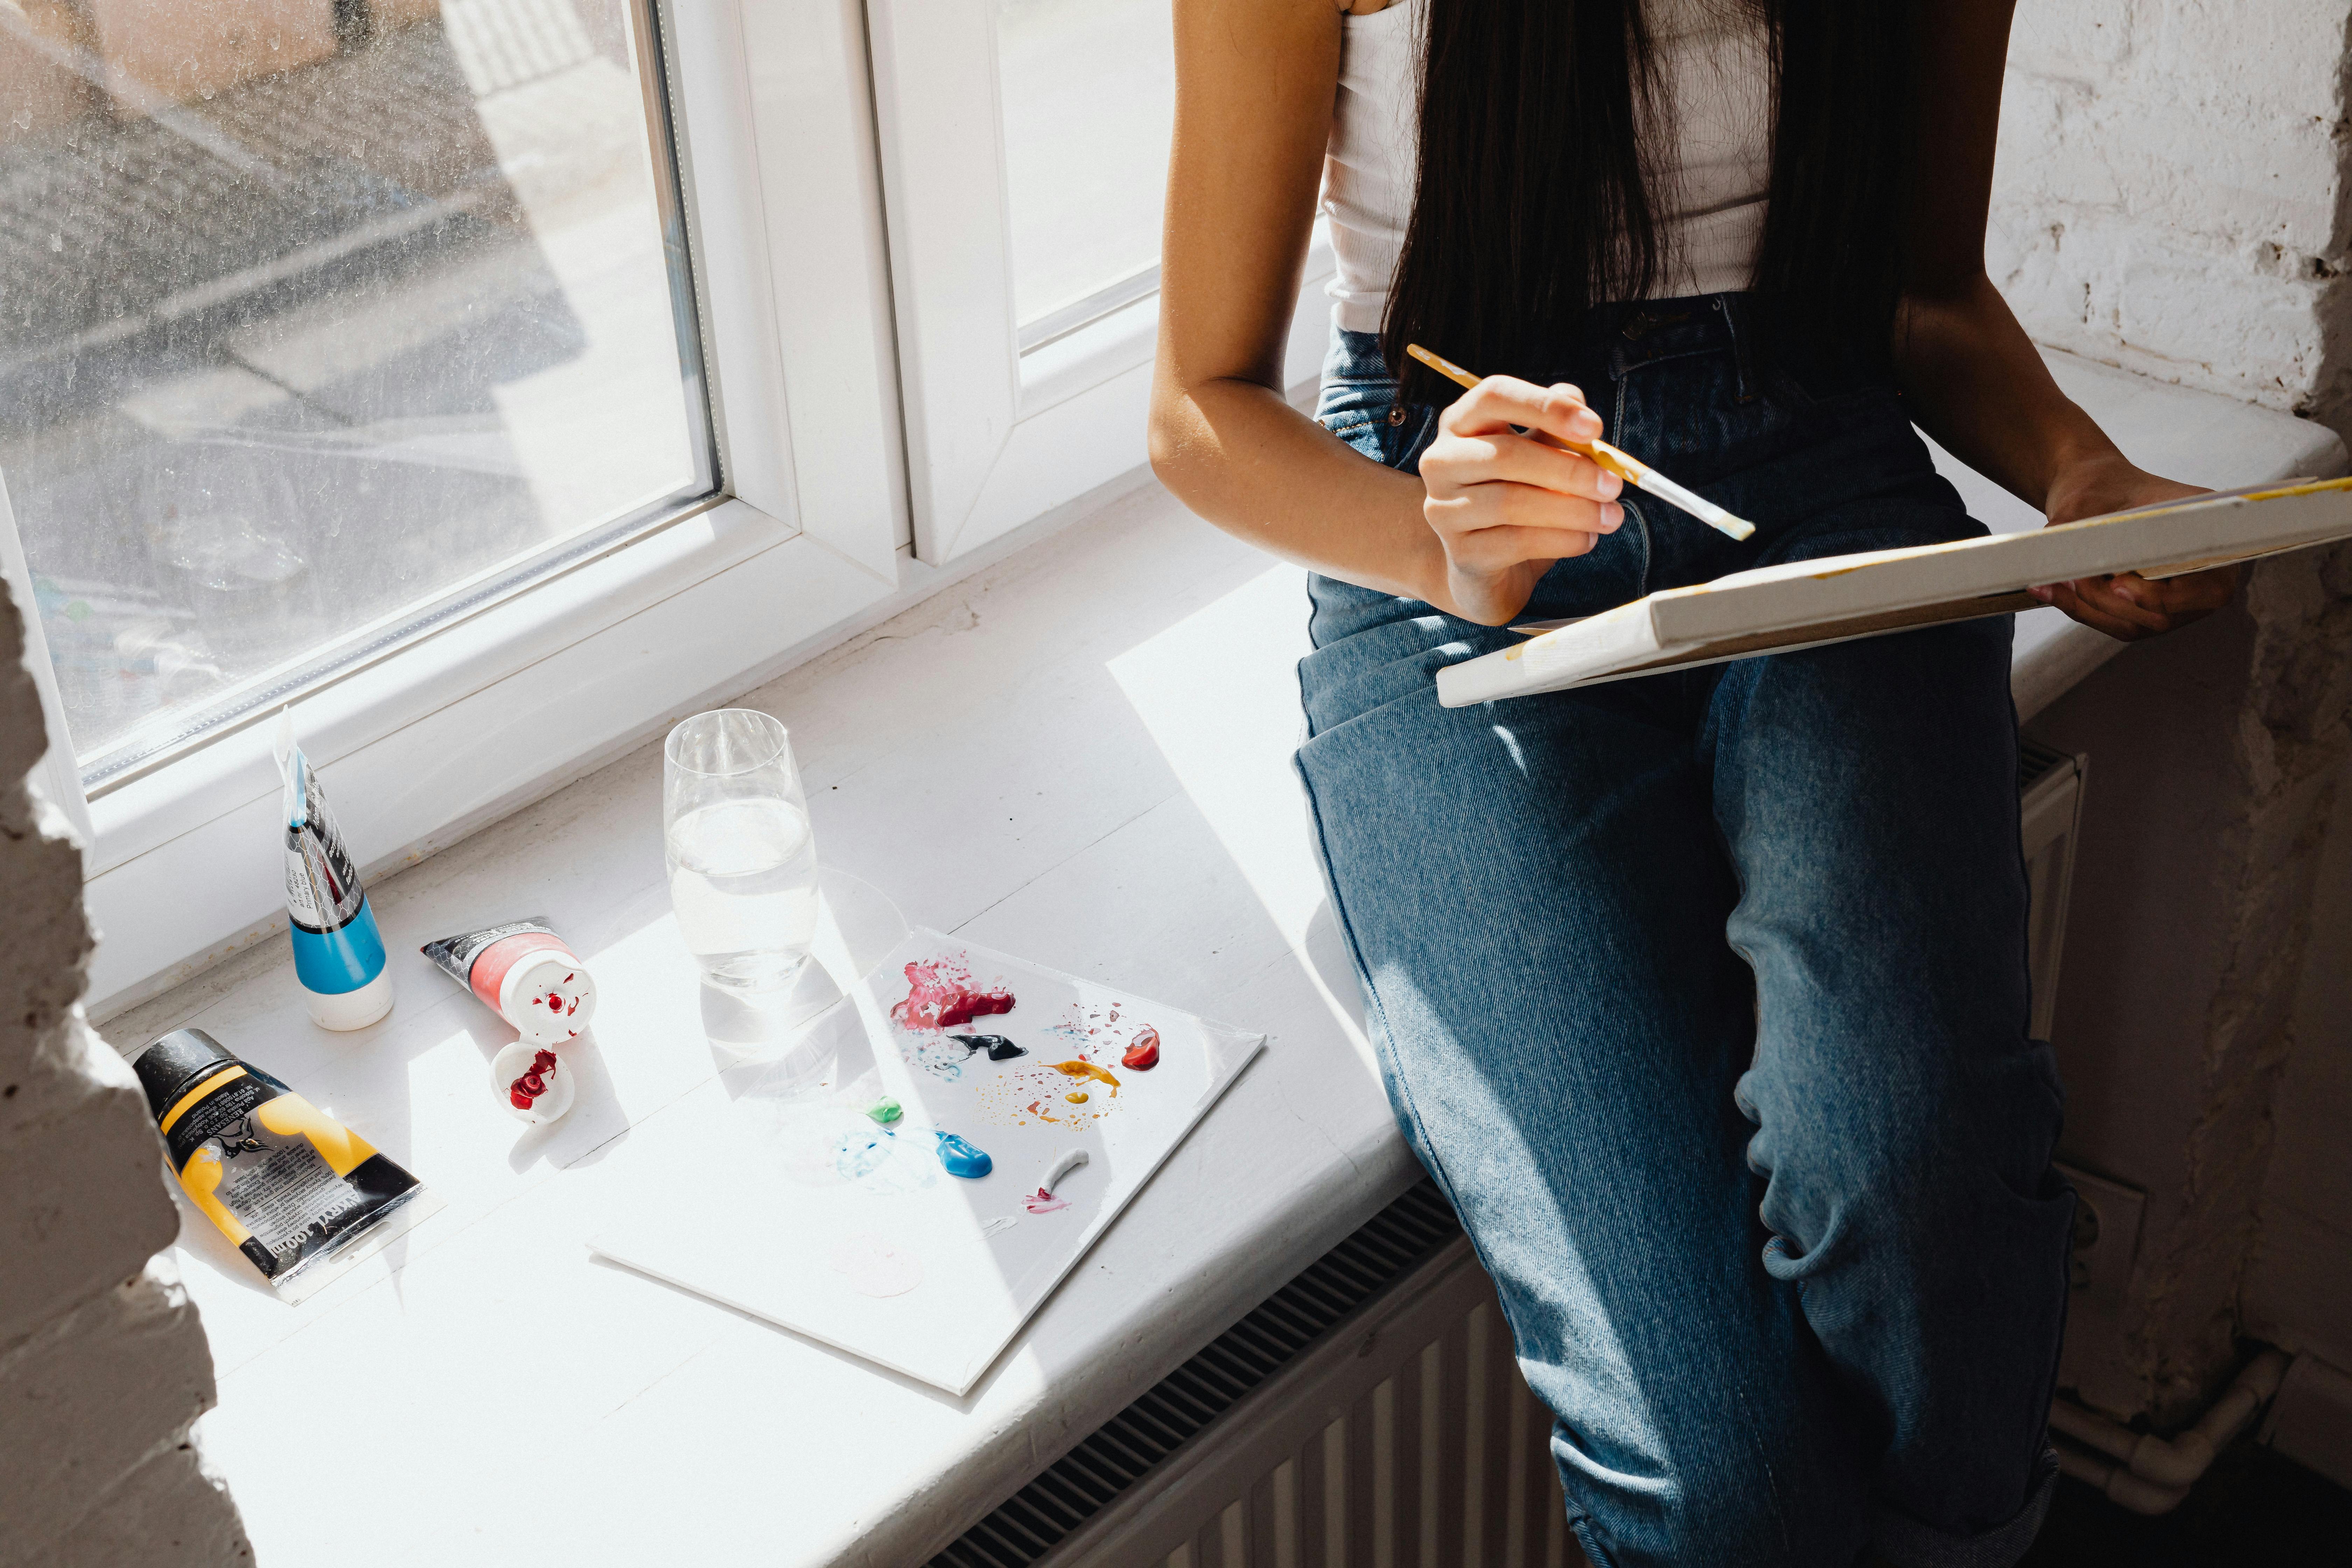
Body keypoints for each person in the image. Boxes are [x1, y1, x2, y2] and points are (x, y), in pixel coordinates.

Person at [1147, 2, 2238, 1564]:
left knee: (1922, 1193)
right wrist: (1436, 546)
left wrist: (2076, 470)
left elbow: (1923, 295)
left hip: (1828, 480)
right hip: (1446, 523)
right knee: (1721, 1479)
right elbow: (1200, 405)